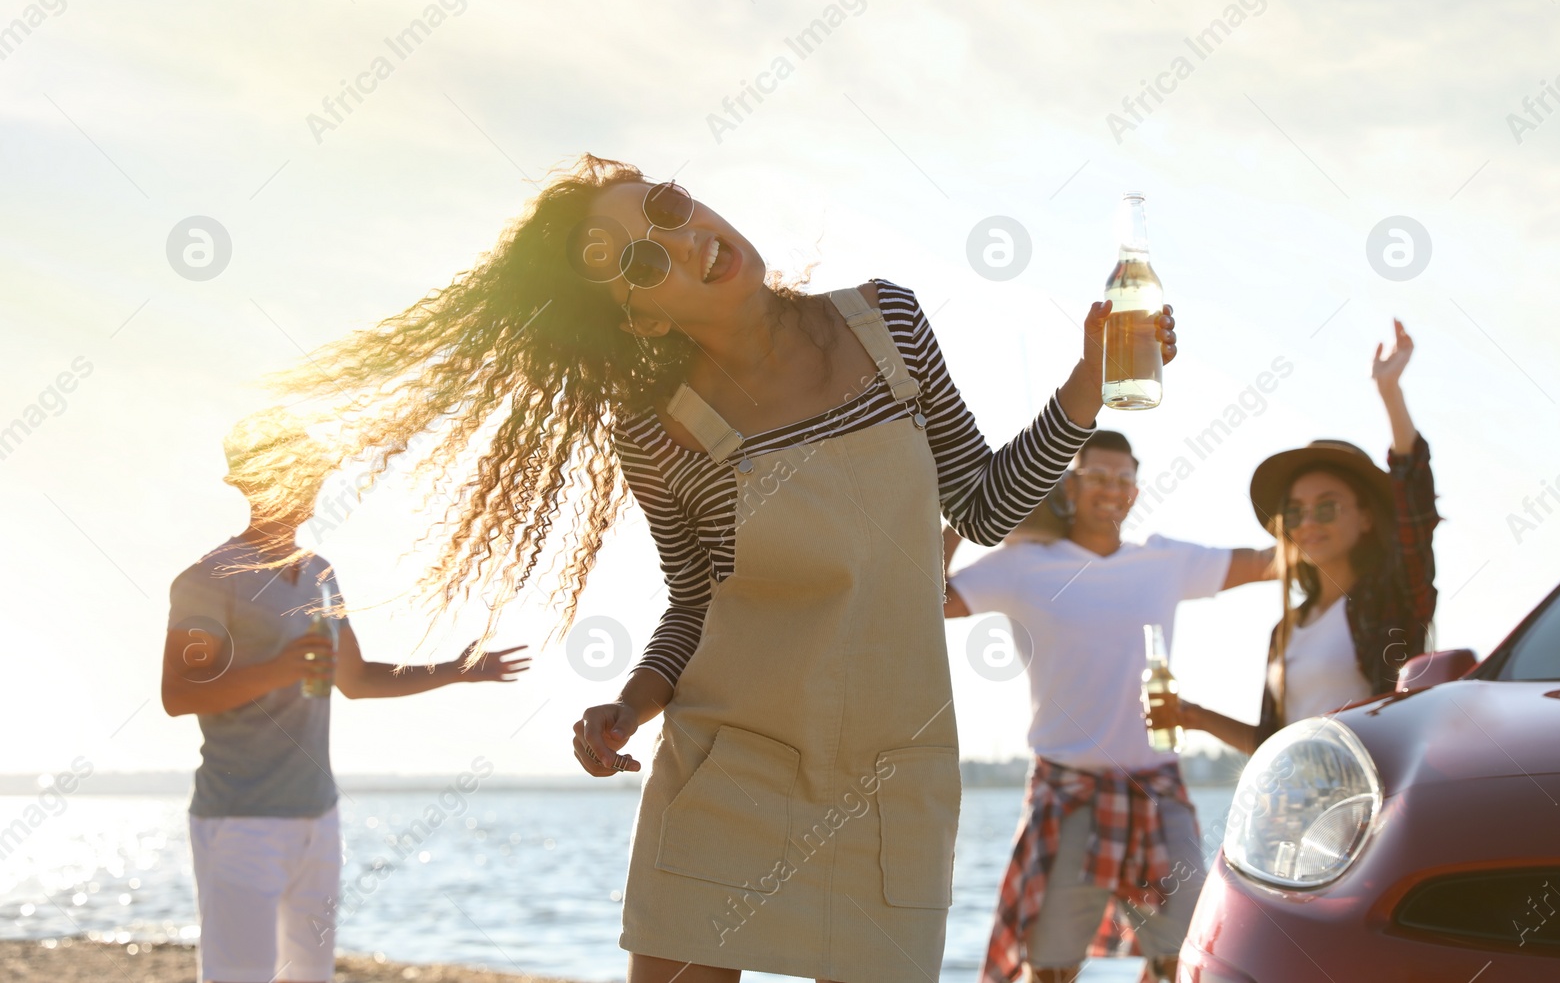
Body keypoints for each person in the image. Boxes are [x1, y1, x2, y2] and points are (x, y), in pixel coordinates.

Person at [222, 154, 1178, 983]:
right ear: (636, 317)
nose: (689, 243)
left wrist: (1089, 380)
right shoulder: (658, 432)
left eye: (669, 210)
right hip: (729, 768)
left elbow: (976, 502)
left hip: (893, 777)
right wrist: (631, 704)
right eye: (645, 260)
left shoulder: (889, 322)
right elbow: (695, 598)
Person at [161, 415, 529, 983]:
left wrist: (456, 669)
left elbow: (355, 680)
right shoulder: (207, 580)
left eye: (314, 471)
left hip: (318, 815)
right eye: (297, 471)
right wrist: (279, 667)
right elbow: (179, 693)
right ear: (254, 481)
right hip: (239, 822)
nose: (312, 482)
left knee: (310, 976)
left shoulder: (320, 574)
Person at [943, 430, 1275, 983]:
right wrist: (973, 518)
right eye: (1096, 475)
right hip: (1067, 789)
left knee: (1185, 953)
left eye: (1123, 478)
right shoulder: (1024, 564)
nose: (1111, 488)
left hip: (1156, 786)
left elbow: (1273, 562)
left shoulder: (1164, 562)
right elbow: (926, 594)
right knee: (1051, 965)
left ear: (1135, 492)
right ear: (1068, 486)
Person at [1181, 318, 1439, 753]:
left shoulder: (1391, 598)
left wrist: (1389, 393)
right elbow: (1273, 745)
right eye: (1295, 512)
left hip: (1368, 812)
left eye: (1326, 507)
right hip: (1295, 817)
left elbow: (1415, 508)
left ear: (1367, 518)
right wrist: (1195, 717)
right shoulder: (1286, 629)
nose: (1308, 523)